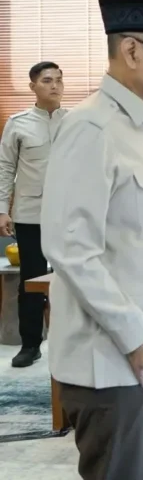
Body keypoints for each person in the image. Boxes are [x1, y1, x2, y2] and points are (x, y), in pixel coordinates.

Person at [40, 0, 143, 480]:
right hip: (118, 360)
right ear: (131, 51)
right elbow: (71, 248)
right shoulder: (92, 127)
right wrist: (136, 335)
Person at [0, 61, 66, 368]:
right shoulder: (18, 123)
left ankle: (69, 341)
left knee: (72, 279)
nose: (55, 85)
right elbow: (5, 168)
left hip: (69, 215)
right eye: (47, 80)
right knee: (31, 279)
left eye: (59, 80)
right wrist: (2, 210)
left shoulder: (76, 121)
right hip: (30, 215)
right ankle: (30, 344)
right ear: (33, 87)